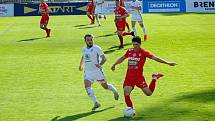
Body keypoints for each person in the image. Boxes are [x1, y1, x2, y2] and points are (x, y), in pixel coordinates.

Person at [111, 36, 177, 111]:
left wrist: (168, 63)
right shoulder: (129, 51)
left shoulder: (143, 52)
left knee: (148, 93)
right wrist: (114, 64)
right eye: (133, 44)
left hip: (138, 78)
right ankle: (131, 110)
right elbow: (122, 58)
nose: (134, 46)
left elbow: (155, 58)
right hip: (129, 78)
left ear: (139, 44)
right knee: (126, 93)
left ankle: (154, 78)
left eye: (136, 44)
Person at [79, 34, 119, 111]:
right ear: (85, 41)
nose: (90, 41)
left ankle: (114, 91)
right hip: (88, 73)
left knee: (105, 87)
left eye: (91, 39)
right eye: (88, 40)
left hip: (97, 72)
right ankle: (96, 103)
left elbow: (104, 58)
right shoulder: (84, 49)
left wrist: (100, 64)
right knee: (87, 87)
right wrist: (80, 65)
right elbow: (84, 56)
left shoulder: (97, 48)